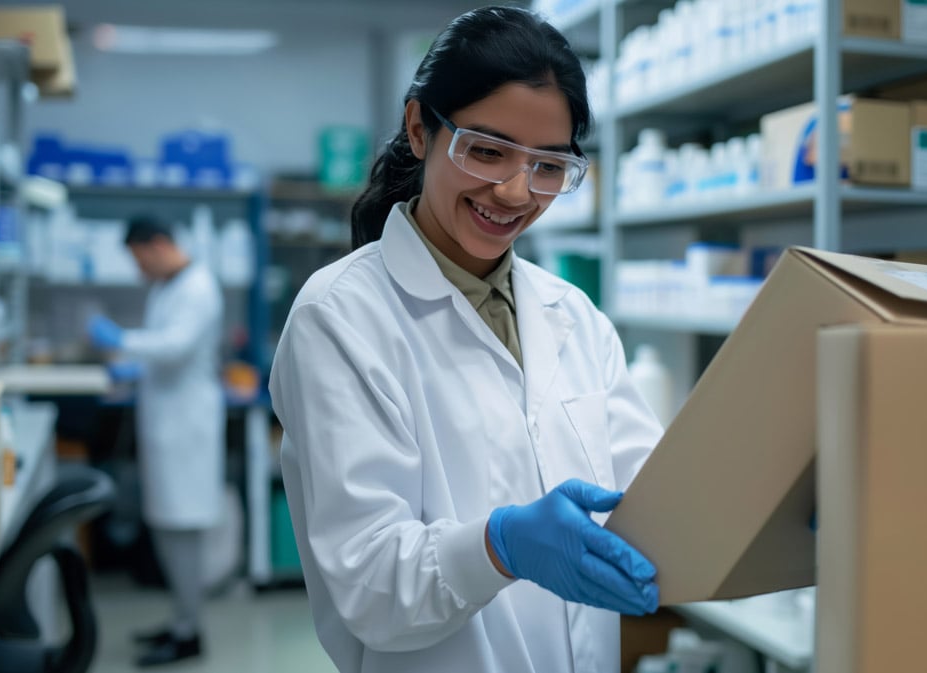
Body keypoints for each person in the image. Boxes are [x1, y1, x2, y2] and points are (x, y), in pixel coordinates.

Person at [269, 6, 667, 673]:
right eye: (486, 151)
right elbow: (368, 583)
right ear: (420, 127)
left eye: (548, 166)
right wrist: (499, 546)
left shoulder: (573, 313)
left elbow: (648, 493)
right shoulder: (340, 317)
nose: (515, 191)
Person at [87, 215, 224, 667]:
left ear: (159, 245)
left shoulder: (199, 287)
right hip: (166, 423)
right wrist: (133, 369)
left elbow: (176, 346)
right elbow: (162, 356)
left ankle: (191, 632)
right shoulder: (168, 287)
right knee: (167, 526)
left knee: (183, 528)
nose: (138, 270)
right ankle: (181, 620)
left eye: (139, 258)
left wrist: (121, 340)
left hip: (187, 430)